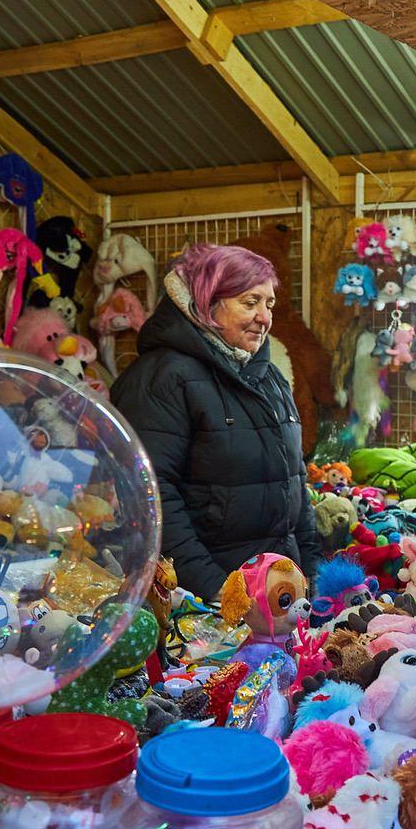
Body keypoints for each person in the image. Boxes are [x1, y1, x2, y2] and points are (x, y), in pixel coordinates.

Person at [111, 242, 323, 602]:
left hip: (278, 595)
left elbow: (294, 484)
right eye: (249, 302)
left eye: (269, 304)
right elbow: (152, 497)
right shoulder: (162, 378)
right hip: (206, 602)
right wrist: (219, 592)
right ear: (208, 302)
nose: (264, 317)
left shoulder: (269, 378)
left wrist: (314, 576)